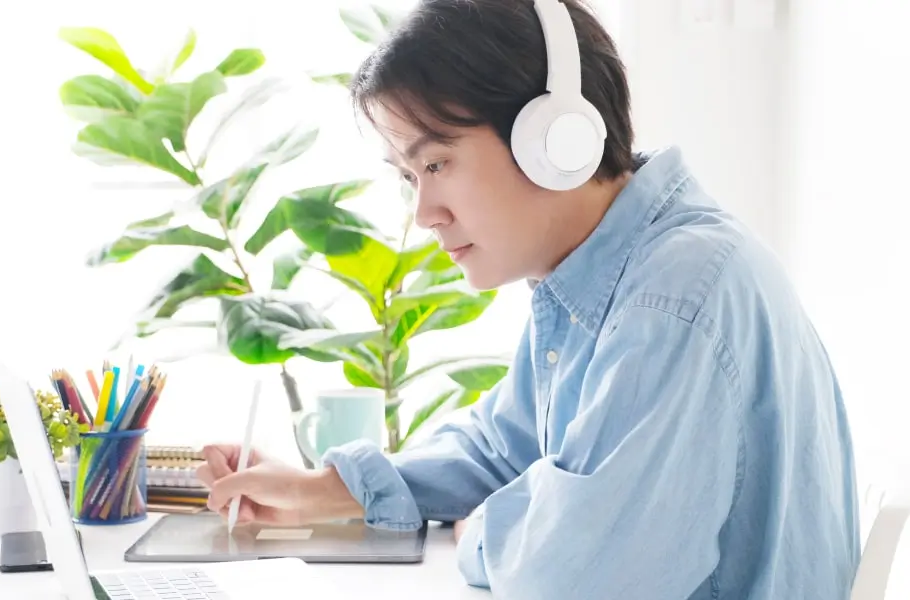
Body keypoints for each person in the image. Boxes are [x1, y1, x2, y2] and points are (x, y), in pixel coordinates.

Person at [197, 0, 861, 597]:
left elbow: (575, 581)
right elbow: (501, 447)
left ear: (552, 140)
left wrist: (487, 528)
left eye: (435, 164)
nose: (424, 211)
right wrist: (325, 492)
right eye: (408, 177)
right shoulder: (603, 270)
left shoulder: (675, 297)